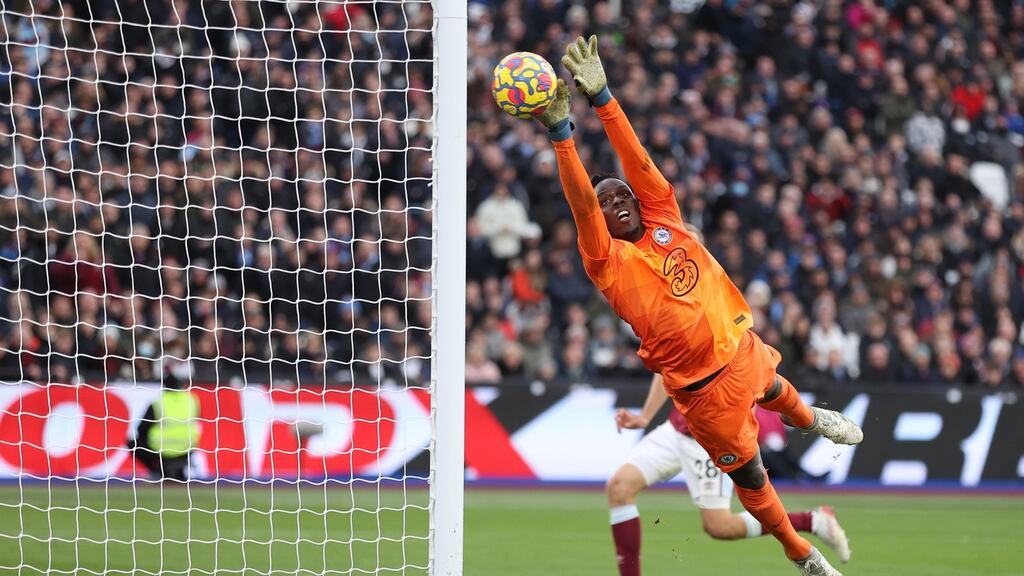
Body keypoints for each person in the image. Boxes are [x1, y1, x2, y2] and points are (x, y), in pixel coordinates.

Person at [536, 36, 863, 576]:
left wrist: (604, 99)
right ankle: (800, 551)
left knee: (778, 390)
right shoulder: (606, 260)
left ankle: (814, 421)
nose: (617, 204)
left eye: (623, 196)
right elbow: (580, 201)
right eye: (606, 203)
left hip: (740, 348)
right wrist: (561, 135)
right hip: (702, 394)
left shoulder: (664, 214)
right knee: (753, 482)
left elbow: (637, 162)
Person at [610, 374, 850, 576]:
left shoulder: (728, 335)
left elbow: (754, 380)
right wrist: (645, 416)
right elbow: (664, 368)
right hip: (676, 431)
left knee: (720, 526)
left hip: (712, 441)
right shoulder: (684, 326)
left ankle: (813, 520)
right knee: (619, 488)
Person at [129, 366, 200, 482]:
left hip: (161, 449)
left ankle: (157, 472)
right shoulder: (191, 400)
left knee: (133, 443)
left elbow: (142, 428)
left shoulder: (159, 402)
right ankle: (174, 471)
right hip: (188, 447)